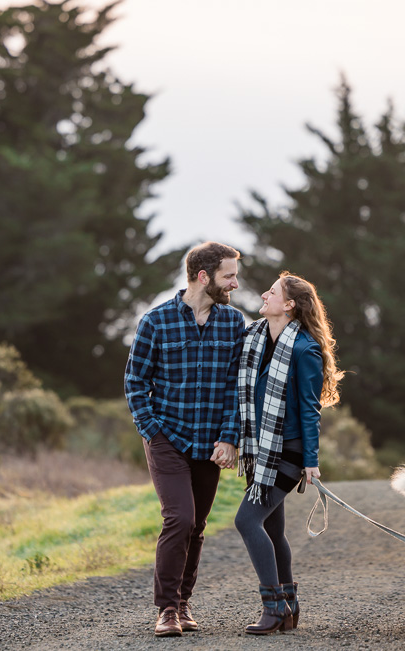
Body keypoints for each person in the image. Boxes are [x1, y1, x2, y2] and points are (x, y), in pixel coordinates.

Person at [124, 241, 246, 637]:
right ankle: (166, 610)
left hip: (210, 443)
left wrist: (229, 438)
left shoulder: (233, 324)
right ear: (203, 276)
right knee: (179, 518)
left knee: (197, 525)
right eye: (229, 276)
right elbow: (135, 381)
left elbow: (235, 388)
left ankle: (184, 602)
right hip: (167, 436)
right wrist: (152, 429)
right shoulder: (155, 321)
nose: (235, 284)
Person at [234, 271, 344, 635]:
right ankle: (290, 606)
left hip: (289, 451)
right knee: (271, 526)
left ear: (290, 305)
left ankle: (274, 606)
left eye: (273, 292)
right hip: (261, 449)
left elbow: (310, 409)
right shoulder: (257, 339)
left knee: (247, 521)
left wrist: (311, 461)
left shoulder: (305, 349)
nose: (265, 294)